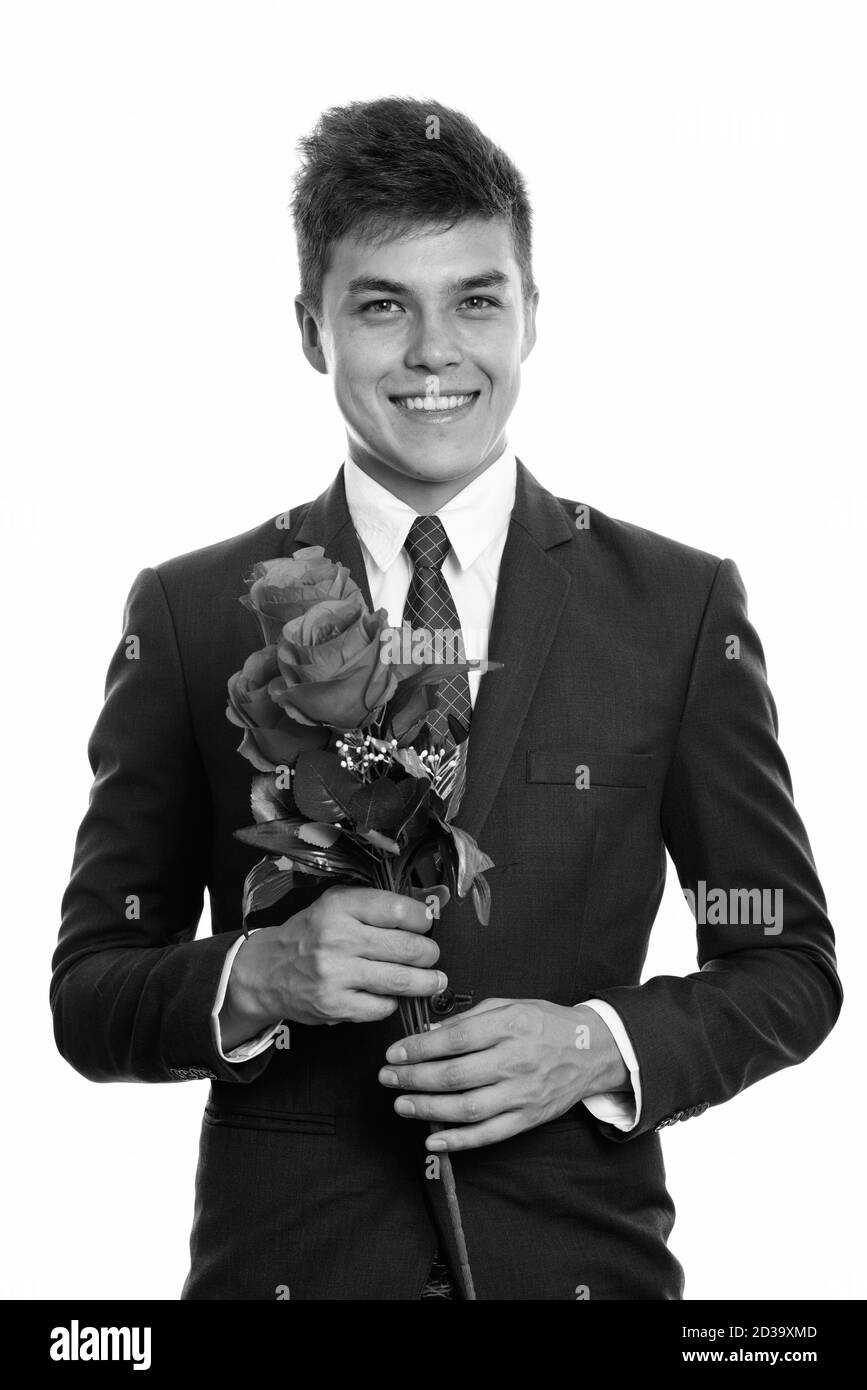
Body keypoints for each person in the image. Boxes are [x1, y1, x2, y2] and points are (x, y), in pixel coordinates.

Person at [51, 96, 842, 1300]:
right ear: (312, 331)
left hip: (582, 1274)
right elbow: (92, 987)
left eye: (477, 299)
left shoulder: (677, 609)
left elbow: (780, 950)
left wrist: (598, 1045)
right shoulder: (189, 611)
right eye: (382, 305)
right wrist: (254, 976)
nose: (435, 352)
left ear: (532, 316)